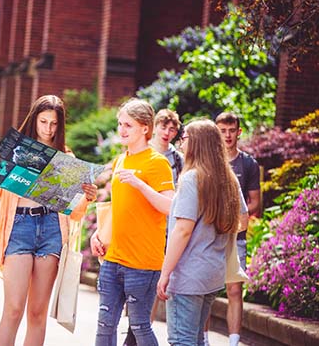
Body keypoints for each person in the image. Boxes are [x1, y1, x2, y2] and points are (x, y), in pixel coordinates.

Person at [0, 95, 97, 346]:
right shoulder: (16, 150)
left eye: (54, 124)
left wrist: (87, 197)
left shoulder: (66, 156)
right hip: (18, 227)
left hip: (51, 230)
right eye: (43, 121)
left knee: (37, 312)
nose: (48, 129)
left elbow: (74, 213)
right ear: (34, 120)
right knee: (13, 309)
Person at [90, 98, 175, 346]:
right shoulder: (120, 160)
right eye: (120, 124)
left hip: (143, 263)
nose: (122, 130)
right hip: (113, 259)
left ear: (145, 128)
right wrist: (98, 235)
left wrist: (139, 184)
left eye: (128, 125)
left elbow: (169, 206)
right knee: (104, 328)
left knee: (139, 327)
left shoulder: (157, 163)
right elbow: (119, 208)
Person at [156, 119, 248, 346]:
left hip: (188, 275)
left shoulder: (191, 179)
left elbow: (183, 231)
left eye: (184, 138)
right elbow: (243, 221)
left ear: (196, 143)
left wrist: (165, 272)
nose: (181, 142)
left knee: (182, 340)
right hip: (212, 274)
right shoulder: (229, 180)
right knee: (196, 339)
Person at [202, 112, 261, 346]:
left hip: (237, 237)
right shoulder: (208, 161)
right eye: (222, 130)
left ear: (239, 131)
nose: (227, 135)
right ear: (216, 131)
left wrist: (235, 217)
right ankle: (203, 340)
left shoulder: (248, 164)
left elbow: (255, 201)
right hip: (208, 236)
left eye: (231, 130)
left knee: (234, 290)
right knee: (206, 291)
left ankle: (233, 342)